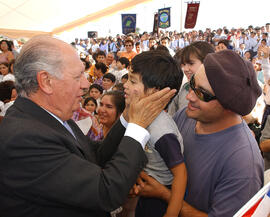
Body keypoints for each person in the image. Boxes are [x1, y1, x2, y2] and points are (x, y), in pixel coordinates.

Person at [0, 35, 177, 217]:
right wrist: (138, 126)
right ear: (46, 81)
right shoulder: (25, 138)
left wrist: (126, 118)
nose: (86, 84)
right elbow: (105, 192)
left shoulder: (53, 117)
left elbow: (94, 155)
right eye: (77, 77)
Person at [133, 50, 264, 217]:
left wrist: (165, 195)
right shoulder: (188, 116)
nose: (189, 96)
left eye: (201, 93)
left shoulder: (242, 164)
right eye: (192, 84)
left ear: (229, 106)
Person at [124, 50, 186, 217]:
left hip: (159, 199)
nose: (125, 85)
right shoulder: (139, 117)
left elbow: (180, 174)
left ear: (155, 91)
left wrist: (171, 214)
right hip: (146, 191)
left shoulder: (161, 131)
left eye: (132, 81)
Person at [168, 41, 215, 116]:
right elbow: (172, 117)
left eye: (191, 64)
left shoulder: (217, 92)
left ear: (206, 62)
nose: (185, 69)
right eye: (183, 64)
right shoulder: (184, 88)